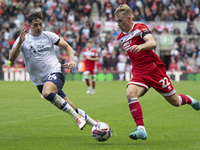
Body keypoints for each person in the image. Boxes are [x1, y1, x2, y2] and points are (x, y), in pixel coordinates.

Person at [114, 4, 200, 140]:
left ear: (129, 18)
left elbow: (152, 43)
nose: (118, 24)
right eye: (117, 21)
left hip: (155, 71)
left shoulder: (139, 28)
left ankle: (189, 99)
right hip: (139, 73)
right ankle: (141, 129)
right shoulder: (121, 37)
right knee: (130, 93)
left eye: (120, 21)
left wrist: (140, 46)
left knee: (175, 101)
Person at [9, 11, 97, 130]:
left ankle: (76, 118)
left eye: (40, 24)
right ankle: (96, 125)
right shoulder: (23, 40)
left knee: (46, 93)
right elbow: (11, 59)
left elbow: (67, 46)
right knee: (71, 106)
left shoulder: (49, 36)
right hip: (39, 81)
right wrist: (19, 42)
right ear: (29, 26)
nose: (39, 27)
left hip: (54, 72)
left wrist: (72, 60)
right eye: (35, 25)